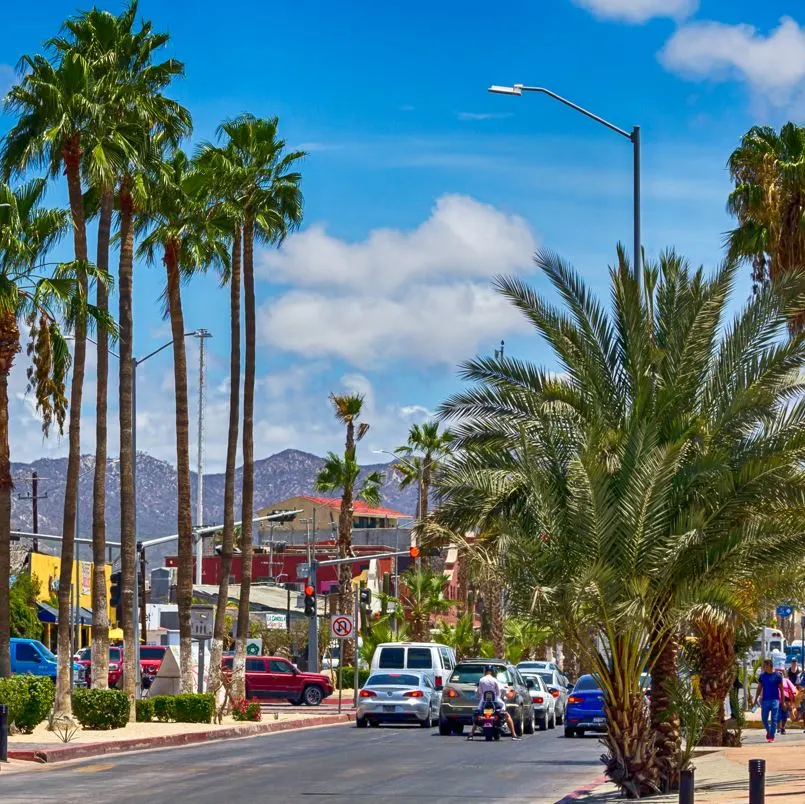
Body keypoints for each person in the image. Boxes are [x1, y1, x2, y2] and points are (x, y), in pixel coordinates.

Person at [467, 666, 520, 741]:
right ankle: (514, 735)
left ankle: (471, 734)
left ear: (484, 672)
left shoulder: (481, 680)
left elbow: (480, 692)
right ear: (492, 672)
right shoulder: (495, 680)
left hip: (483, 702)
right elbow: (498, 692)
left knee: (478, 714)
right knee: (506, 715)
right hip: (496, 701)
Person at [755, 659, 783, 742]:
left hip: (775, 700)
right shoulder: (762, 676)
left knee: (774, 719)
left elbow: (781, 690)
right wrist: (755, 698)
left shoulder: (778, 676)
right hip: (765, 701)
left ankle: (771, 736)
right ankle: (769, 731)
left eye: (765, 666)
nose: (763, 667)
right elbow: (759, 688)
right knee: (764, 719)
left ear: (770, 666)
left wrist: (783, 702)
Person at [777, 669, 798, 734]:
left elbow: (793, 688)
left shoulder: (786, 680)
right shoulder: (774, 681)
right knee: (778, 715)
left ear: (783, 675)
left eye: (781, 674)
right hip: (776, 700)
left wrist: (794, 698)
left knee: (784, 715)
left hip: (786, 700)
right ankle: (779, 728)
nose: (780, 675)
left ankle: (783, 728)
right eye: (778, 674)